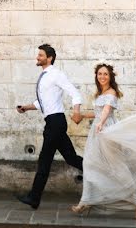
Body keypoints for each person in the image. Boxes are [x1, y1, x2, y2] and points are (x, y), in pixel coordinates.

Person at [70, 62, 136, 220]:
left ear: (110, 77)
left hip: (106, 132)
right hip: (98, 131)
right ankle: (86, 201)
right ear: (96, 76)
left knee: (117, 169)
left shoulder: (111, 93)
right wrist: (83, 115)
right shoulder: (100, 93)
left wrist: (101, 124)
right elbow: (98, 112)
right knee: (90, 165)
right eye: (99, 74)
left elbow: (106, 111)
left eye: (105, 74)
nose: (102, 76)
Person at [15, 44, 84, 210]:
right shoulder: (45, 76)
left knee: (44, 159)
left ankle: (34, 197)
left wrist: (76, 111)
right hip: (53, 122)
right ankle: (96, 171)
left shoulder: (56, 74)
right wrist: (25, 107)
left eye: (40, 55)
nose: (37, 57)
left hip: (56, 122)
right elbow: (42, 102)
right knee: (71, 158)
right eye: (38, 55)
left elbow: (75, 93)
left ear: (49, 58)